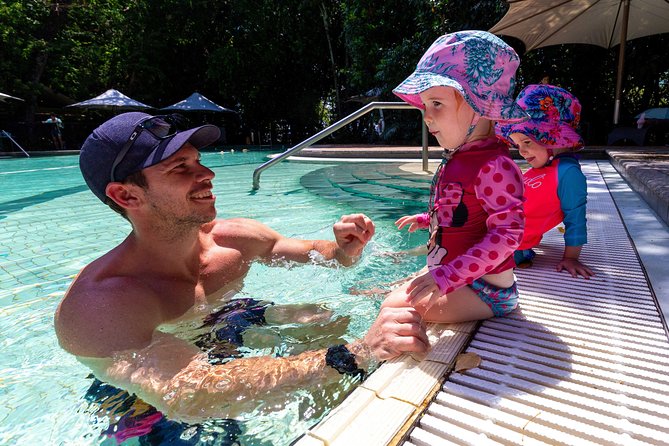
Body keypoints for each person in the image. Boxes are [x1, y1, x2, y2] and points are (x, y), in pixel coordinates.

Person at [54, 112, 429, 427]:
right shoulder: (101, 304)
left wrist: (347, 247)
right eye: (179, 168)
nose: (207, 174)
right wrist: (361, 351)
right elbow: (193, 395)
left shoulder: (232, 239)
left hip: (224, 320)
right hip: (145, 396)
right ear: (127, 196)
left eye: (198, 160)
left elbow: (323, 255)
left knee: (324, 318)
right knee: (207, 430)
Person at [381, 30, 528, 322]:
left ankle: (353, 358)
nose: (426, 115)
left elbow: (508, 235)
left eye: (437, 103)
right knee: (387, 293)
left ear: (479, 107)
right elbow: (461, 209)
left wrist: (448, 275)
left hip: (485, 290)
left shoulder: (494, 165)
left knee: (393, 308)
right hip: (457, 276)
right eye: (425, 105)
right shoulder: (464, 155)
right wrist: (428, 220)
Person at [496, 84, 594, 279]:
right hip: (497, 233)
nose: (521, 152)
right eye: (517, 145)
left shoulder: (568, 174)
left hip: (506, 246)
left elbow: (575, 218)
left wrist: (571, 258)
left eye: (527, 142)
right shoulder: (543, 168)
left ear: (552, 139)